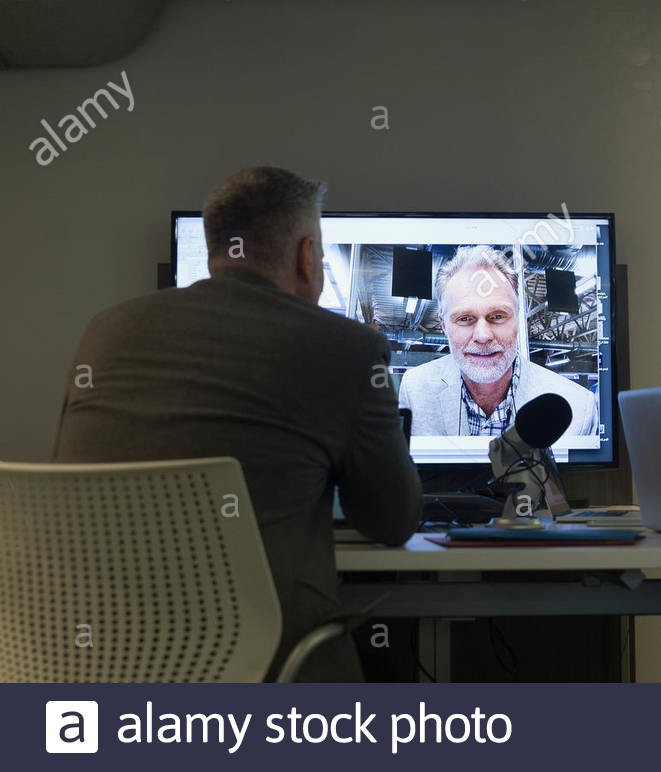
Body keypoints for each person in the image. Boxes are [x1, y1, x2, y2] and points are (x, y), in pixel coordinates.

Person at [53, 167, 422, 681]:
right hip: (268, 673)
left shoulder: (105, 332)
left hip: (96, 668)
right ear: (306, 255)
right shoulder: (348, 348)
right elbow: (391, 519)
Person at [398, 244, 599, 440]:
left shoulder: (578, 408)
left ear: (518, 318)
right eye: (465, 319)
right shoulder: (415, 389)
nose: (483, 336)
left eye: (497, 316)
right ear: (443, 325)